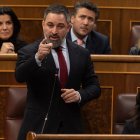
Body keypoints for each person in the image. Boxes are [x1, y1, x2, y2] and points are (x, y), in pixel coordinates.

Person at [15, 4, 101, 140]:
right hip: (38, 126)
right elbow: (19, 76)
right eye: (50, 25)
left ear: (68, 27)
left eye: (60, 26)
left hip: (71, 127)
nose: (54, 31)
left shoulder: (82, 53)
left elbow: (95, 87)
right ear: (43, 24)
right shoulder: (29, 51)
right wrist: (37, 58)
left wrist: (79, 94)